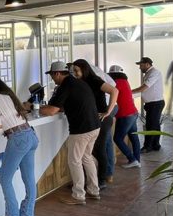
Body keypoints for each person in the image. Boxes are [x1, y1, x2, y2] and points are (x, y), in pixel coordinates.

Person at [0, 74, 38, 216]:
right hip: (30, 135)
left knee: (5, 179)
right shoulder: (8, 95)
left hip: (18, 139)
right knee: (29, 180)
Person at [40, 61, 100, 205]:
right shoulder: (79, 83)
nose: (52, 79)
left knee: (74, 161)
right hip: (94, 126)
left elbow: (52, 110)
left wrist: (35, 108)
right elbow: (64, 105)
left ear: (57, 73)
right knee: (87, 157)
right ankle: (94, 190)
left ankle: (78, 195)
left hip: (81, 130)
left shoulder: (65, 86)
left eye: (52, 75)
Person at [72, 59, 118, 187]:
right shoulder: (82, 82)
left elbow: (114, 91)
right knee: (90, 152)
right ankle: (92, 180)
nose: (75, 73)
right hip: (92, 120)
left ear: (84, 69)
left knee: (99, 150)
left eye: (76, 71)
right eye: (73, 71)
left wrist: (108, 111)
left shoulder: (94, 80)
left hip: (102, 119)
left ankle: (101, 180)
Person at [108, 65, 141, 168]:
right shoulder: (125, 81)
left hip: (125, 115)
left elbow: (110, 94)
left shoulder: (116, 83)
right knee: (134, 137)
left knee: (117, 138)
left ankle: (132, 159)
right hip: (133, 113)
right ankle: (137, 160)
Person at [134, 57, 165, 152]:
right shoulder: (149, 73)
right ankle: (156, 145)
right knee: (155, 125)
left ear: (148, 64)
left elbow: (144, 87)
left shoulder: (154, 73)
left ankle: (147, 147)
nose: (140, 67)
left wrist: (129, 92)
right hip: (152, 103)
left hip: (155, 103)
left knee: (150, 125)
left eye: (141, 65)